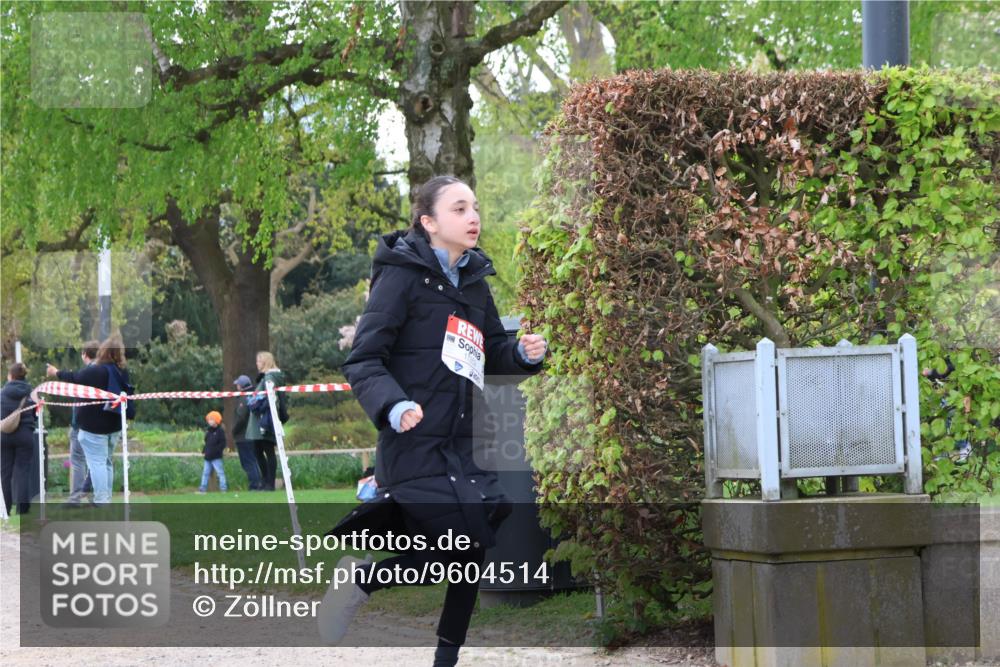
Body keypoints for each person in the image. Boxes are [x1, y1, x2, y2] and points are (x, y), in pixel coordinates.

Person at [318, 176, 548, 665]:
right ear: (428, 222)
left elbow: (490, 354)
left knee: (477, 538)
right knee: (465, 541)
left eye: (476, 208)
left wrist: (522, 355)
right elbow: (363, 361)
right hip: (414, 442)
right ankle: (361, 580)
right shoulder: (401, 277)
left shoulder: (475, 282)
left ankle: (442, 653)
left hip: (463, 444)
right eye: (459, 208)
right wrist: (395, 407)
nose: (473, 217)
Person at [46, 335, 132, 506]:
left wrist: (55, 373)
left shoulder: (96, 371)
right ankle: (105, 498)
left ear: (103, 352)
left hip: (94, 428)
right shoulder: (121, 371)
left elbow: (74, 378)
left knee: (98, 463)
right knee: (106, 462)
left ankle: (101, 501)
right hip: (114, 426)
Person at [47, 340, 99, 507]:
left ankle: (76, 498)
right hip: (98, 425)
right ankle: (95, 497)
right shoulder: (104, 372)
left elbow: (74, 378)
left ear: (85, 354)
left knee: (77, 461)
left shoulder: (89, 372)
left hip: (82, 424)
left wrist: (56, 372)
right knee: (96, 461)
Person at [245, 352, 287, 491]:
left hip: (266, 418)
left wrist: (256, 404)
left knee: (268, 451)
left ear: (265, 362)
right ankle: (264, 481)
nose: (257, 364)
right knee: (258, 451)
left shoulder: (270, 378)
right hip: (258, 419)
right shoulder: (264, 378)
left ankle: (270, 483)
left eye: (259, 361)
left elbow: (271, 398)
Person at [1, 363, 37, 515]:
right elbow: (35, 413)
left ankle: (6, 508)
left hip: (5, 436)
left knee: (5, 473)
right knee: (23, 471)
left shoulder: (2, 393)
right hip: (25, 435)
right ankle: (22, 509)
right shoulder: (31, 393)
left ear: (11, 376)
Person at [231, 374, 263, 491]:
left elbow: (241, 417)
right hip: (250, 434)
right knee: (253, 461)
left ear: (241, 386)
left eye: (238, 384)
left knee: (248, 462)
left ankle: (255, 485)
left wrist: (234, 431)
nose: (236, 386)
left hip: (244, 436)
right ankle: (258, 483)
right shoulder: (251, 395)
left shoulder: (243, 399)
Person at [198, 410, 228, 494]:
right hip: (208, 457)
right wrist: (204, 450)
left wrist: (216, 451)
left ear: (216, 420)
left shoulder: (220, 431)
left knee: (220, 473)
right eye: (209, 419)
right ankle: (203, 488)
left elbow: (223, 443)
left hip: (216, 457)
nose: (209, 421)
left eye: (211, 419)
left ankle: (223, 488)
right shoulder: (208, 431)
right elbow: (207, 443)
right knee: (205, 473)